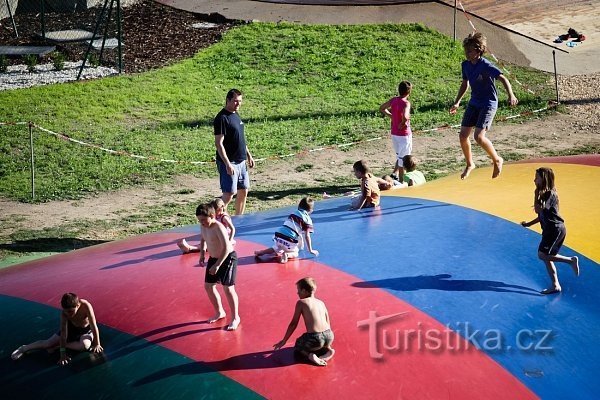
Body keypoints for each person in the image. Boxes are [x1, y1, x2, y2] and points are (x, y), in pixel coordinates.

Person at [449, 32, 518, 180]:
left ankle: (497, 159)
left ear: (479, 50)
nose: (467, 53)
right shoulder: (465, 65)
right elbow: (465, 83)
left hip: (488, 103)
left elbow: (503, 78)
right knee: (462, 136)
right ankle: (469, 164)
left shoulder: (485, 65)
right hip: (474, 102)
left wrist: (511, 95)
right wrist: (457, 101)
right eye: (465, 50)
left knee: (479, 137)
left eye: (470, 51)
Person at [521, 167, 579, 294]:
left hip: (555, 229)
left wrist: (535, 194)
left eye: (537, 178)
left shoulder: (549, 194)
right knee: (548, 258)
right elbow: (542, 215)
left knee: (542, 255)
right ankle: (555, 285)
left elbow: (538, 210)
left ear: (544, 179)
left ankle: (570, 261)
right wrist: (529, 224)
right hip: (551, 229)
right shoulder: (546, 193)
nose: (534, 180)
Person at [11, 293, 103, 365]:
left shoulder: (86, 305)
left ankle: (57, 346)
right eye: (66, 311)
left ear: (78, 305)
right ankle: (24, 348)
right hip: (72, 330)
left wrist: (97, 344)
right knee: (47, 343)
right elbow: (63, 334)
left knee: (85, 346)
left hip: (86, 331)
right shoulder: (64, 313)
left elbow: (93, 325)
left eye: (71, 311)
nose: (68, 314)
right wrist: (63, 355)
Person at [197, 203, 240, 330]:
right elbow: (203, 239)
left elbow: (226, 248)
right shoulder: (203, 226)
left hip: (227, 258)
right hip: (213, 258)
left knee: (228, 289)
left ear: (212, 216)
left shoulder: (218, 227)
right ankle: (220, 311)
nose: (202, 223)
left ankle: (235, 317)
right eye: (199, 220)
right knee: (208, 286)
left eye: (204, 220)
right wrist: (201, 255)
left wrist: (217, 265)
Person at [273, 277, 334, 366]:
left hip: (315, 338)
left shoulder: (301, 302)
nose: (297, 293)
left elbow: (293, 324)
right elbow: (328, 321)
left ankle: (310, 355)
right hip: (329, 335)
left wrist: (284, 340)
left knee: (298, 344)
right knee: (322, 342)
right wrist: (328, 343)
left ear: (304, 291)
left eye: (299, 290)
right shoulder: (321, 302)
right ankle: (328, 350)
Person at [214, 88, 255, 215]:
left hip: (241, 161)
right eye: (236, 101)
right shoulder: (221, 118)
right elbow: (219, 143)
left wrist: (248, 155)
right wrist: (227, 164)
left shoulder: (236, 115)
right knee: (229, 194)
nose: (238, 104)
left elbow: (240, 138)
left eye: (240, 101)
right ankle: (211, 216)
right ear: (228, 100)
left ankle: (239, 219)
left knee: (243, 190)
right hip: (230, 162)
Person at [254, 197, 319, 263]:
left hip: (278, 236)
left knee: (277, 248)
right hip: (289, 239)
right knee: (296, 253)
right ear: (311, 211)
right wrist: (310, 250)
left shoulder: (294, 213)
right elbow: (307, 236)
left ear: (299, 206)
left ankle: (262, 252)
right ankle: (287, 254)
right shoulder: (308, 220)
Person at [379, 81, 413, 182]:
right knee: (405, 159)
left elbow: (382, 108)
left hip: (394, 134)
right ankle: (402, 181)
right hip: (404, 135)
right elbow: (406, 116)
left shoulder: (394, 100)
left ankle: (396, 174)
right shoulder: (406, 103)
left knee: (399, 156)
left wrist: (392, 116)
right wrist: (403, 123)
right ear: (409, 92)